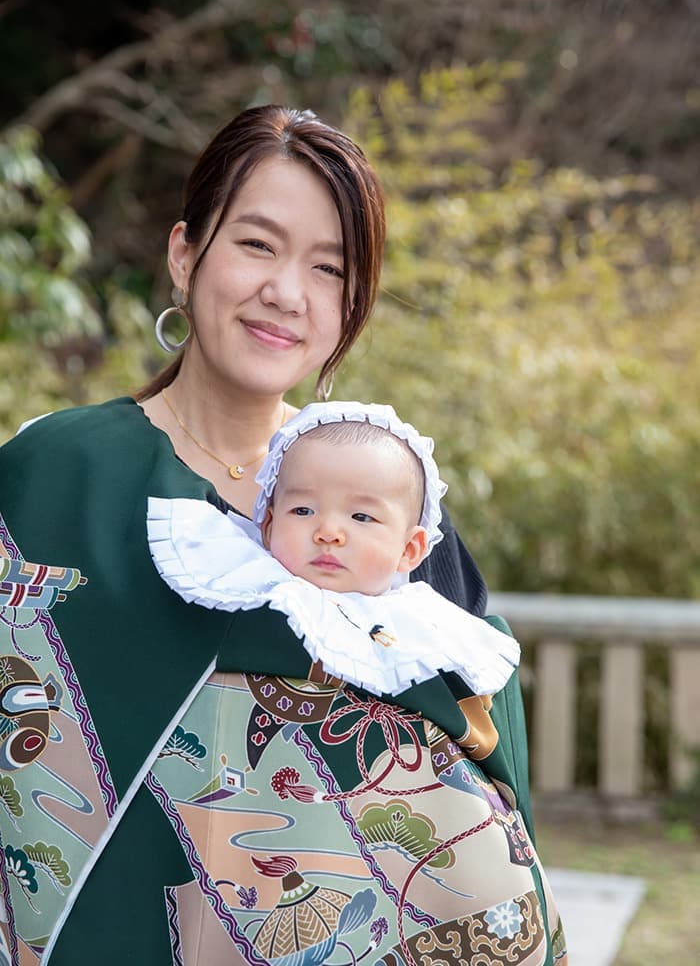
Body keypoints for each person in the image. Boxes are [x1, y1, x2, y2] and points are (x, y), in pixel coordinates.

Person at [0, 105, 567, 964]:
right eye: (257, 245)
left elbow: (486, 745)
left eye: (328, 268)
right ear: (185, 254)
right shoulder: (59, 472)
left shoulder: (383, 496)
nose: (286, 293)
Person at [147, 401, 523, 700]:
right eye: (303, 510)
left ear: (410, 548)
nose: (328, 532)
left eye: (361, 516)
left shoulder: (426, 628)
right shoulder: (241, 586)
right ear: (268, 525)